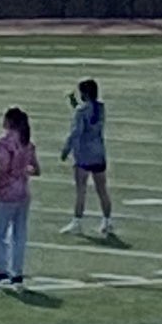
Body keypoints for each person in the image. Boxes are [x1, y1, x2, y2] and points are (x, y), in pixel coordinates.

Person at [0, 106, 41, 287]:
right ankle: (17, 271)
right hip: (23, 192)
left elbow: (2, 169)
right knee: (19, 235)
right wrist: (24, 171)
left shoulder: (4, 142)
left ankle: (1, 269)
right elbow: (36, 169)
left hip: (7, 193)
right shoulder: (27, 142)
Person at [60, 78, 114, 237]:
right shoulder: (100, 108)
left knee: (81, 190)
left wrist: (66, 149)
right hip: (99, 153)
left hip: (83, 155)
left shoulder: (81, 112)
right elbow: (87, 114)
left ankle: (77, 222)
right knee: (102, 189)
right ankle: (107, 221)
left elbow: (76, 132)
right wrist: (74, 103)